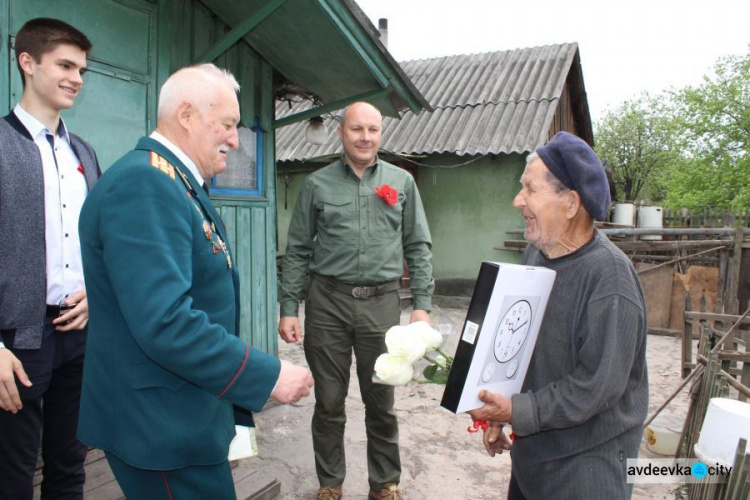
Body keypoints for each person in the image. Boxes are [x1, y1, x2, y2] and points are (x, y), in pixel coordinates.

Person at [76, 63, 314, 499]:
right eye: (226, 124)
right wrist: (267, 375)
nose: (236, 139)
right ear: (185, 115)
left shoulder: (174, 181)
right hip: (160, 427)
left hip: (177, 415)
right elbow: (166, 322)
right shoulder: (146, 183)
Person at [469, 131, 649, 499]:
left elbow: (596, 387)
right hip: (534, 457)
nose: (517, 200)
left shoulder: (609, 278)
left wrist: (516, 410)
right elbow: (520, 345)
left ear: (570, 203)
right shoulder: (537, 255)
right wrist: (500, 410)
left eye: (530, 190)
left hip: (585, 467)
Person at [279, 101, 434, 500]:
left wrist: (422, 305)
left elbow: (418, 246)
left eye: (373, 130)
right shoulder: (317, 184)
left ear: (380, 134)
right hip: (327, 303)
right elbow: (297, 249)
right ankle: (330, 483)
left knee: (381, 399)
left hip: (382, 306)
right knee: (329, 402)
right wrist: (288, 307)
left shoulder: (402, 183)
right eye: (356, 129)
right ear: (341, 133)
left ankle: (384, 484)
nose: (365, 137)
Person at [0, 18, 100, 500]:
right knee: (11, 475)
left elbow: (99, 244)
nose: (77, 78)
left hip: (78, 336)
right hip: (15, 343)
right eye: (65, 65)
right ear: (27, 62)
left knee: (69, 467)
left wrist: (96, 298)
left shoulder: (85, 152)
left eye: (81, 69)